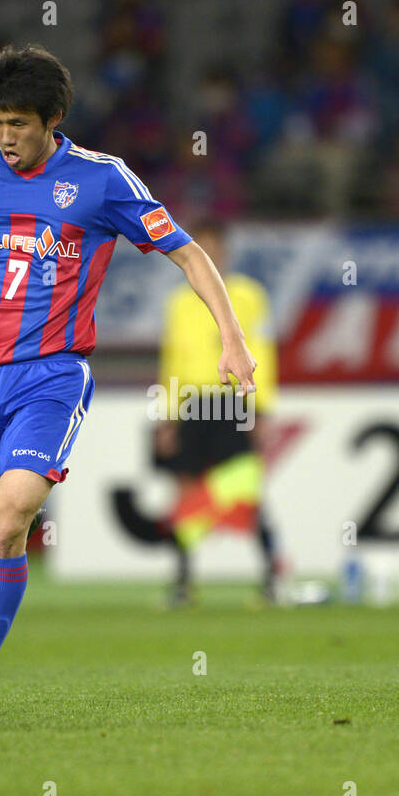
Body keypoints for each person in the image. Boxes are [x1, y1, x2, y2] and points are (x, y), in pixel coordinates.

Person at [0, 43, 257, 714]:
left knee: (12, 516)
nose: (6, 137)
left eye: (20, 123)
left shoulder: (102, 180)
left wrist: (233, 337)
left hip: (52, 376)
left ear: (55, 117)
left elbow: (186, 251)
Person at [154, 221, 283, 606]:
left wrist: (261, 409)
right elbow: (172, 361)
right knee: (187, 494)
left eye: (214, 248)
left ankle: (272, 579)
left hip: (232, 403)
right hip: (192, 403)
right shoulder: (177, 303)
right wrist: (168, 416)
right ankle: (182, 583)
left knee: (245, 492)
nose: (208, 256)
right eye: (201, 249)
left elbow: (264, 350)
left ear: (225, 253)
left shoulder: (248, 296)